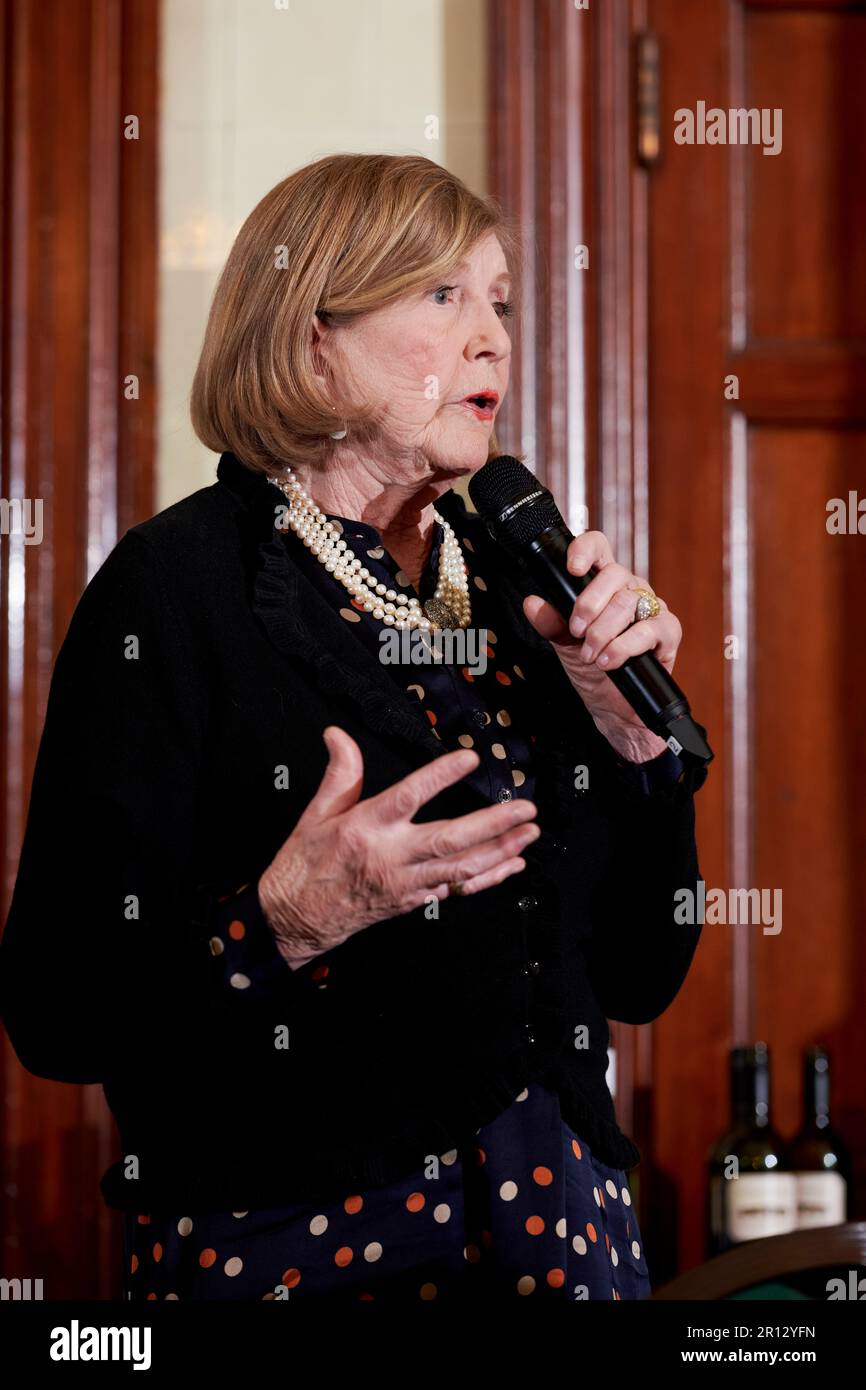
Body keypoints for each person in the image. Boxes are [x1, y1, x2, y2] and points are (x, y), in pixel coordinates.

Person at [0, 153, 708, 1302]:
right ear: (310, 335)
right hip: (293, 1255)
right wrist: (287, 915)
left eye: (500, 301)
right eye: (442, 296)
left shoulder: (530, 602)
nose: (492, 337)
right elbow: (58, 1012)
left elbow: (640, 972)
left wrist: (632, 749)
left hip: (562, 1251)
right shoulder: (174, 589)